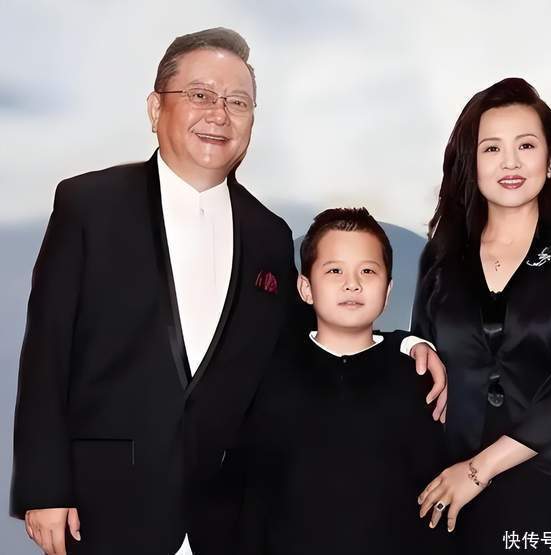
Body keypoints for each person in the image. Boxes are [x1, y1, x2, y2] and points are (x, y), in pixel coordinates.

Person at [11, 28, 445, 555]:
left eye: (237, 102)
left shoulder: (268, 234)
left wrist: (404, 343)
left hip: (227, 512)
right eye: (200, 95)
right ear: (155, 108)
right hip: (105, 502)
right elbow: (47, 349)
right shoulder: (89, 204)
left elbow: (306, 337)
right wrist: (44, 489)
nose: (219, 114)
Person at [411, 77, 551, 554]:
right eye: (492, 148)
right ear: (472, 164)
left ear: (550, 161)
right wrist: (411, 345)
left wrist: (477, 471)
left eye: (525, 145)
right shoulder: (441, 262)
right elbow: (423, 369)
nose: (509, 162)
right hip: (457, 492)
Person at [238, 208, 452, 555]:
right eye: (334, 270)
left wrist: (409, 343)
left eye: (367, 271)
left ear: (388, 290)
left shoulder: (417, 376)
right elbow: (251, 493)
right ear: (306, 288)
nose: (352, 283)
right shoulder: (268, 373)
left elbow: (431, 493)